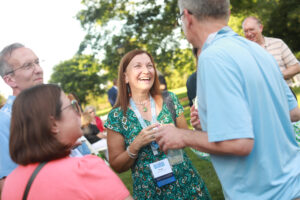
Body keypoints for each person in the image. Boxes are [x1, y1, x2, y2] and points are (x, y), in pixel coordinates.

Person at [156, 0, 300, 199]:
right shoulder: (259, 51)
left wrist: (182, 135)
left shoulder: (212, 57)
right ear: (228, 13)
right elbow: (293, 112)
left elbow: (239, 143)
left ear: (187, 18)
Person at [104, 49, 211, 199]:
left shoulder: (170, 100)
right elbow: (116, 165)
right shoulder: (116, 117)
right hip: (150, 193)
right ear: (125, 77)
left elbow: (190, 140)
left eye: (149, 66)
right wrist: (136, 144)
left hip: (188, 186)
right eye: (138, 66)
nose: (146, 71)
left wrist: (196, 128)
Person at [1, 84, 132, 200]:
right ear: (53, 124)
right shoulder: (86, 169)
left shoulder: (11, 183)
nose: (78, 113)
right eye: (71, 107)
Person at [0, 43, 44, 195]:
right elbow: (8, 186)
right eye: (28, 66)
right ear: (10, 80)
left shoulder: (56, 108)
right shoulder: (3, 123)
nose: (38, 70)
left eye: (37, 62)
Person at [242, 16, 300, 87]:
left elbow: (296, 67)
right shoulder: (243, 52)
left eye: (251, 29)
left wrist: (276, 76)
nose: (249, 34)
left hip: (285, 92)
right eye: (246, 31)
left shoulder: (278, 43)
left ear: (260, 28)